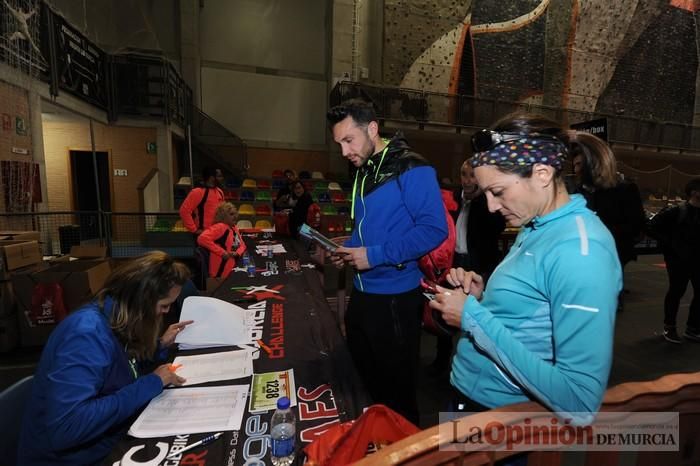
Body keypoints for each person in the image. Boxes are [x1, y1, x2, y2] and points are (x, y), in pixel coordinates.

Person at [429, 113, 622, 423]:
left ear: (542, 173)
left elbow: (579, 402)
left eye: (498, 191)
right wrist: (483, 297)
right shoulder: (536, 224)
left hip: (501, 419)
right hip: (471, 399)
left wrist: (473, 317)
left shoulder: (582, 252)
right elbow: (529, 315)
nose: (491, 206)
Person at [327, 99, 448, 424]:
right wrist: (347, 249)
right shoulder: (363, 172)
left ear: (373, 129)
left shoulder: (413, 167)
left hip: (395, 300)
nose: (344, 151)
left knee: (398, 397)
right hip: (363, 295)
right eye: (338, 143)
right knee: (366, 386)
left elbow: (433, 228)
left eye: (348, 140)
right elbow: (369, 230)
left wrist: (374, 255)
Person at [18, 252, 194, 465]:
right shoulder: (85, 334)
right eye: (163, 305)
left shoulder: (116, 318)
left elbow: (121, 371)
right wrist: (153, 382)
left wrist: (159, 347)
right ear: (141, 300)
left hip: (102, 443)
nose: (164, 313)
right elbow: (68, 427)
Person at [429, 160, 505, 375]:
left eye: (473, 175)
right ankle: (441, 363)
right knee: (445, 312)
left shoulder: (488, 203)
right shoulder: (452, 199)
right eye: (464, 175)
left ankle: (472, 364)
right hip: (453, 263)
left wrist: (480, 199)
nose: (468, 180)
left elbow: (496, 228)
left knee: (474, 315)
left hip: (478, 265)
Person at [571, 145, 646, 310]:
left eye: (579, 165)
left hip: (613, 250)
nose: (575, 170)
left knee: (607, 302)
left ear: (594, 165)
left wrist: (602, 232)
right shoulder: (578, 191)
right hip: (583, 252)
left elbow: (637, 223)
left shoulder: (624, 189)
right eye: (574, 165)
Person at [646, 178, 700, 344]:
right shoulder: (676, 211)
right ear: (694, 192)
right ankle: (670, 327)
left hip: (697, 260)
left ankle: (693, 329)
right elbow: (650, 227)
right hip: (679, 260)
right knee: (676, 292)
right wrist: (670, 245)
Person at [197, 202, 247, 279]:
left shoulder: (234, 228)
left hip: (234, 267)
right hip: (222, 273)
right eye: (231, 214)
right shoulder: (220, 227)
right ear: (223, 216)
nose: (235, 216)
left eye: (235, 214)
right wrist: (222, 252)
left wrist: (237, 253)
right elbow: (202, 238)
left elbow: (243, 245)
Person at [179, 167, 226, 235]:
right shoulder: (197, 192)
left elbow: (224, 212)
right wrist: (194, 230)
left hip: (218, 233)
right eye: (219, 176)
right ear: (211, 178)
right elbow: (184, 211)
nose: (222, 178)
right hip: (203, 234)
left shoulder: (220, 192)